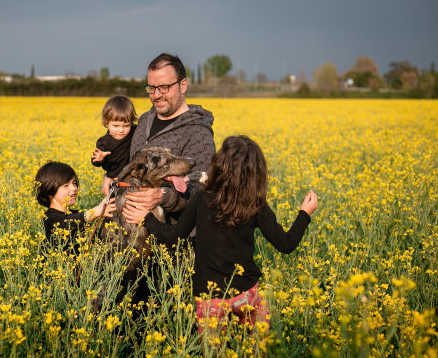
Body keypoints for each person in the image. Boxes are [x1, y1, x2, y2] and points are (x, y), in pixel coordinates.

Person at [123, 135, 318, 332]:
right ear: (256, 173)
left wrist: (147, 217)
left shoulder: (202, 198)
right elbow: (286, 244)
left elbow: (173, 237)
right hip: (246, 292)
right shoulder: (256, 204)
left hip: (211, 298)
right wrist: (304, 214)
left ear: (221, 166)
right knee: (257, 353)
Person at [126, 52, 216, 219]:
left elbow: (202, 188)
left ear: (183, 85)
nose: (156, 95)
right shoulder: (145, 120)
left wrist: (163, 196)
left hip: (170, 235)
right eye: (151, 88)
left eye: (164, 87)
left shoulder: (198, 132)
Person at [35, 161, 115, 247]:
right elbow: (65, 224)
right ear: (49, 192)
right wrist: (94, 212)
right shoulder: (48, 219)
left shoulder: (78, 215)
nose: (74, 188)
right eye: (66, 185)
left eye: (74, 183)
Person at [91, 95, 137, 195]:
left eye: (126, 125)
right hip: (115, 184)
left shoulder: (134, 132)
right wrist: (99, 158)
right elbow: (96, 159)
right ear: (106, 123)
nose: (121, 130)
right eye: (116, 126)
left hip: (133, 182)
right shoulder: (104, 142)